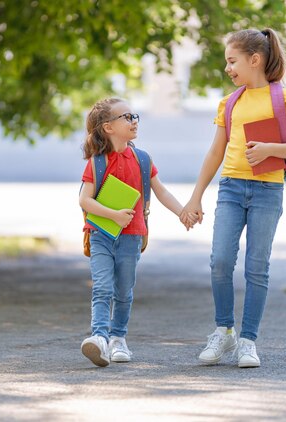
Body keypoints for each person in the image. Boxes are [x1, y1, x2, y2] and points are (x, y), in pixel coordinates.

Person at [181, 28, 286, 368]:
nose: (228, 68)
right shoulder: (230, 103)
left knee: (257, 267)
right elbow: (215, 152)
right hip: (231, 188)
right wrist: (195, 198)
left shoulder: (285, 99)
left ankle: (248, 341)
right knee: (220, 261)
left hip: (268, 190)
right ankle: (224, 331)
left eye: (232, 61)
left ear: (254, 60)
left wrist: (270, 148)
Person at [79, 97, 198, 367]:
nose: (134, 121)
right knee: (102, 288)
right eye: (126, 117)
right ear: (108, 128)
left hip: (132, 237)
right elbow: (85, 200)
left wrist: (182, 211)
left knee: (124, 290)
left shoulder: (143, 159)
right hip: (101, 235)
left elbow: (161, 191)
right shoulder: (97, 162)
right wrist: (114, 216)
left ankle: (118, 338)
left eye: (134, 117)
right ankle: (99, 337)